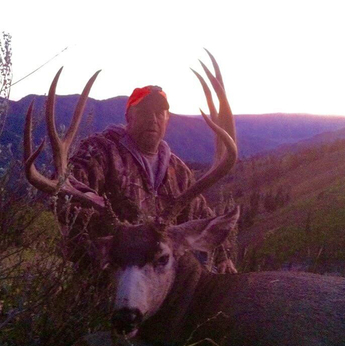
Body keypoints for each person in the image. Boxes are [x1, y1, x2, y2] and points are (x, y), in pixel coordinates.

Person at [60, 85, 237, 273]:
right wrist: (95, 203)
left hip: (159, 273)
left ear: (167, 119)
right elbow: (65, 184)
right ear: (129, 117)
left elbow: (201, 214)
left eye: (160, 113)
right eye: (144, 112)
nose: (153, 119)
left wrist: (222, 258)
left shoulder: (177, 170)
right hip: (110, 269)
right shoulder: (101, 150)